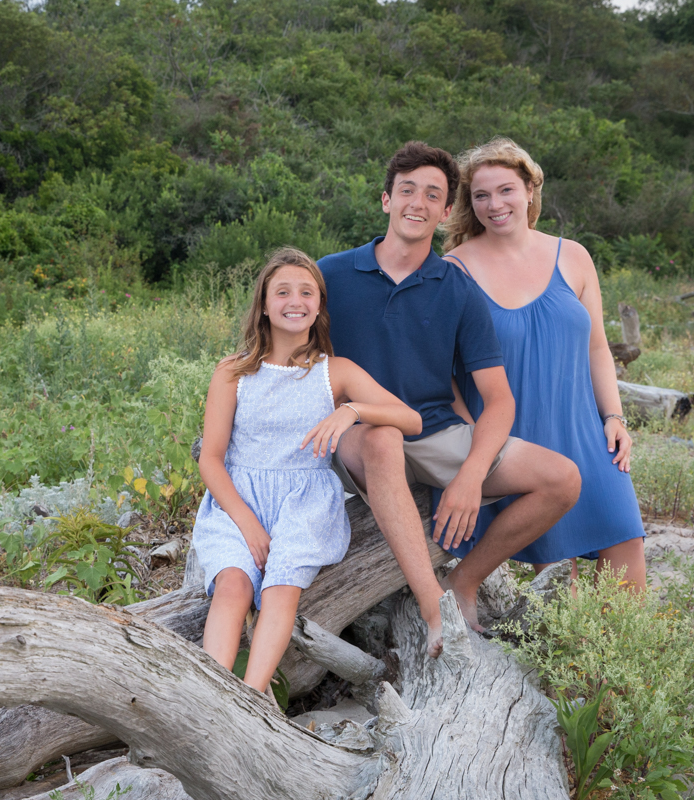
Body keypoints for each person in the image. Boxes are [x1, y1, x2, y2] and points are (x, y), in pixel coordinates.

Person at [319, 141, 582, 657]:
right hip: (355, 434)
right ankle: (432, 608)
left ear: (444, 213)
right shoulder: (331, 275)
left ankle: (463, 584)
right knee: (382, 438)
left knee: (562, 478)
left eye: (432, 195)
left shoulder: (456, 289)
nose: (417, 202)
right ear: (385, 200)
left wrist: (469, 477)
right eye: (407, 190)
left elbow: (498, 399)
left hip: (434, 430)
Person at [195, 247, 423, 694]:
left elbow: (411, 419)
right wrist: (248, 523)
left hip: (305, 503)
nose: (294, 300)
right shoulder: (233, 371)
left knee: (281, 587)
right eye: (282, 292)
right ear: (264, 303)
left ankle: (253, 694)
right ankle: (213, 696)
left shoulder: (333, 372)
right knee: (234, 587)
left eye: (306, 291)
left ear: (319, 304)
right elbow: (211, 458)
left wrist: (352, 410)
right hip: (239, 501)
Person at [442, 137, 646, 589]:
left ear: (530, 189)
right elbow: (442, 370)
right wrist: (470, 442)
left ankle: (612, 659)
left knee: (627, 551)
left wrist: (614, 416)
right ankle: (569, 660)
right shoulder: (454, 269)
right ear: (469, 203)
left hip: (586, 432)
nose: (495, 204)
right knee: (560, 580)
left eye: (506, 190)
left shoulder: (573, 256)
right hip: (517, 439)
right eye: (481, 195)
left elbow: (597, 348)